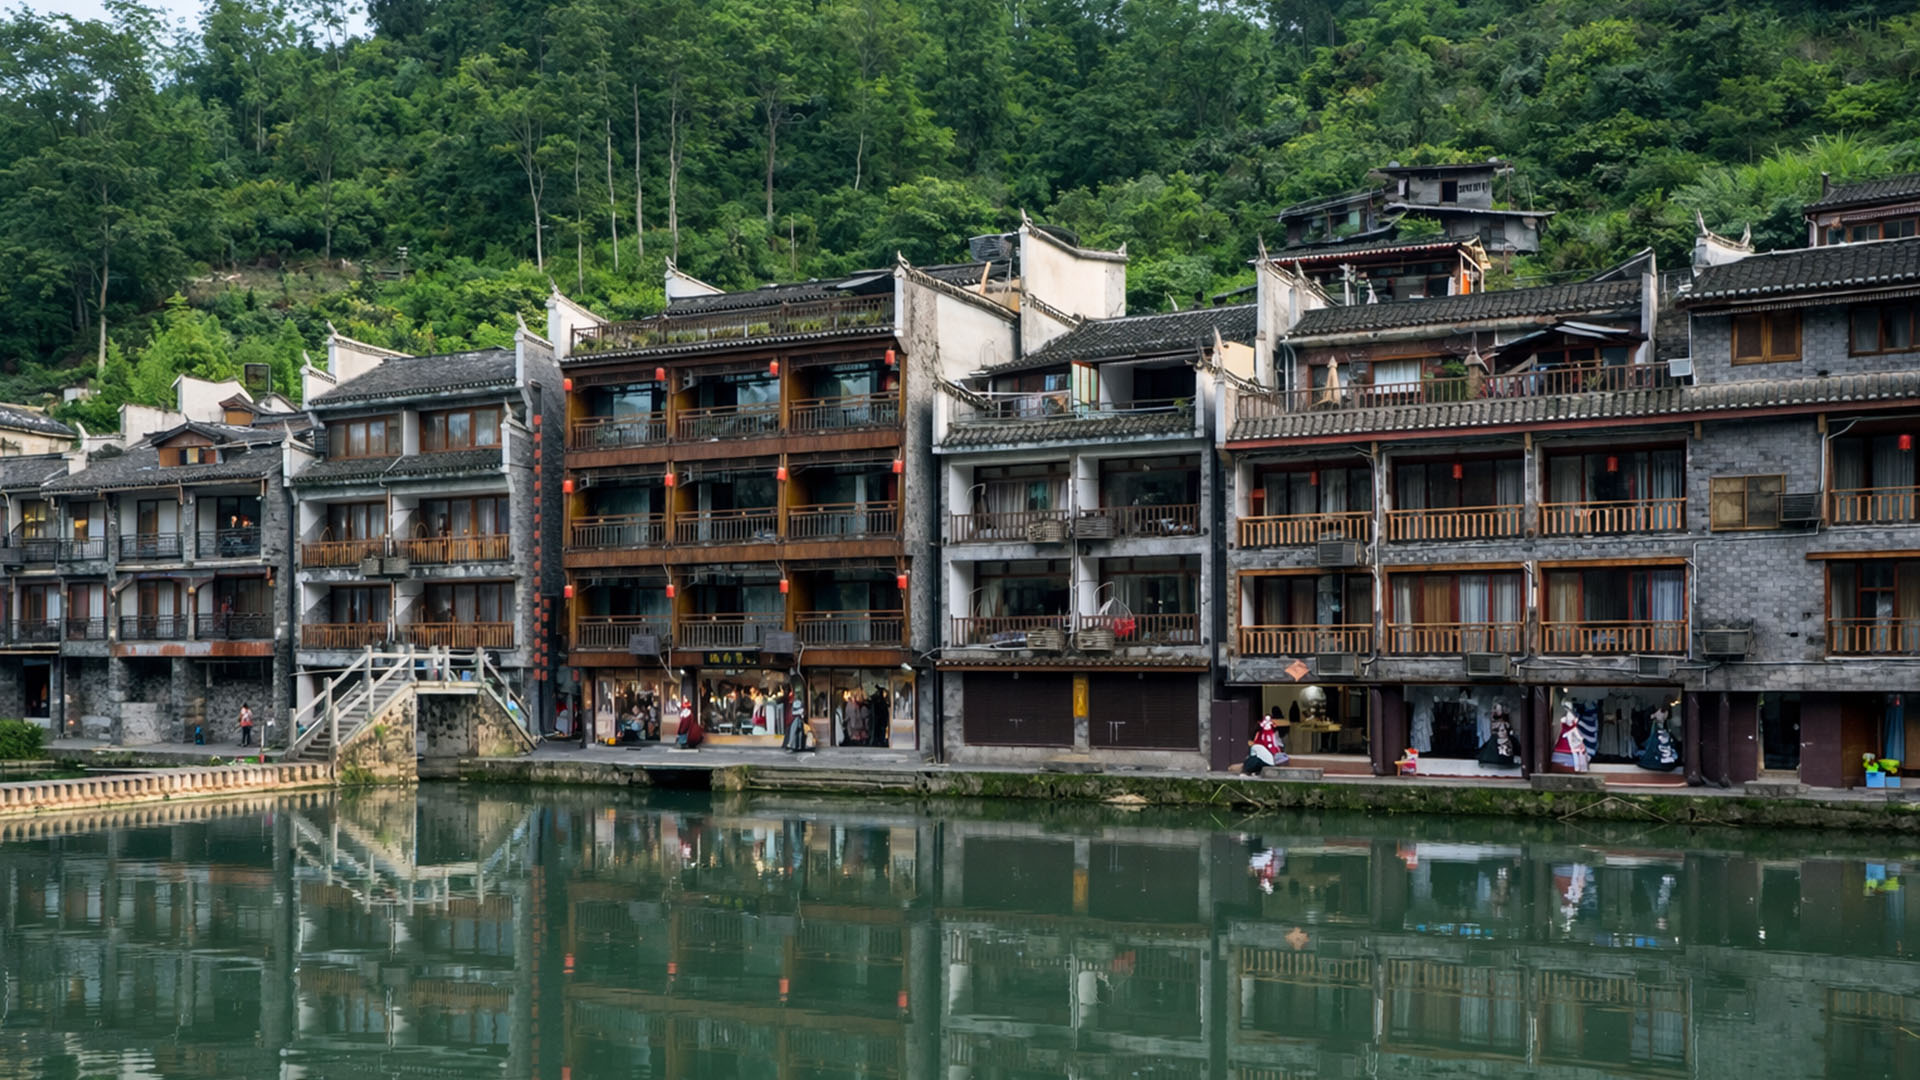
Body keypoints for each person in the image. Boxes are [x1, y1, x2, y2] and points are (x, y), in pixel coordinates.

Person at [1550, 702, 1589, 773]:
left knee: (1577, 750)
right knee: (1575, 751)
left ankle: (1575, 767)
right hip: (1568, 737)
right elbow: (1569, 724)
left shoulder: (1561, 714)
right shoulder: (1568, 714)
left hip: (1569, 736)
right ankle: (1574, 767)